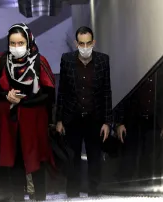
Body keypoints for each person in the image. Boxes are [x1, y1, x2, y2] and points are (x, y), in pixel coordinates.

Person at [0, 23, 56, 201]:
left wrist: (23, 100)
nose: (16, 48)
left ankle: (39, 198)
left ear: (29, 41)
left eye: (20, 43)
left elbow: (49, 93)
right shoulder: (1, 61)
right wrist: (5, 96)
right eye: (12, 43)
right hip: (10, 120)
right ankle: (17, 197)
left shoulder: (40, 61)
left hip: (34, 119)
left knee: (36, 159)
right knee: (14, 160)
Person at [56, 26, 113, 197]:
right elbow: (62, 91)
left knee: (94, 157)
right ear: (76, 43)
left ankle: (94, 193)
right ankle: (72, 193)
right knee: (72, 158)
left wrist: (107, 122)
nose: (85, 47)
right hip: (72, 117)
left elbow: (106, 91)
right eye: (82, 43)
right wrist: (59, 119)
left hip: (95, 116)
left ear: (93, 42)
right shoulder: (67, 60)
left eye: (88, 43)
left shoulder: (103, 60)